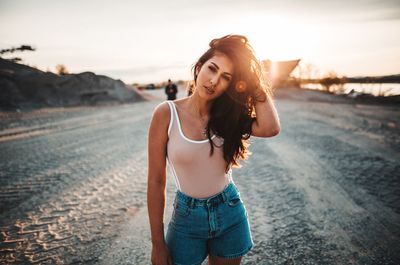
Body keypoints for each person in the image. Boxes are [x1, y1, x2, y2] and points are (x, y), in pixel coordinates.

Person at [147, 35, 280, 265]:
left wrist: (254, 83)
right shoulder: (166, 114)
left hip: (228, 211)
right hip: (187, 218)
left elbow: (270, 128)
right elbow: (156, 182)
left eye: (226, 77)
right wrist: (158, 244)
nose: (214, 81)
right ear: (199, 68)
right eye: (212, 69)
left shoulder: (229, 116)